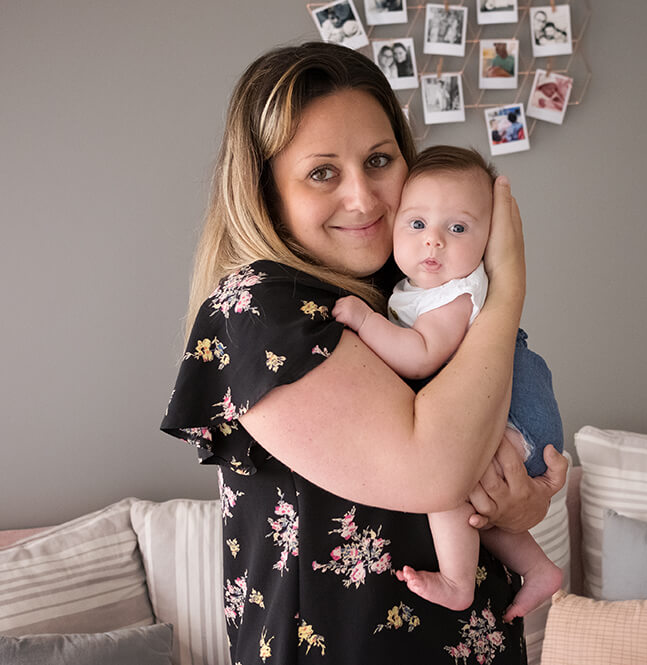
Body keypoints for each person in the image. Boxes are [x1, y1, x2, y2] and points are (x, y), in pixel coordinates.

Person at [161, 41, 567, 664]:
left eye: (380, 160)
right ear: (266, 191)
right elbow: (433, 469)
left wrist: (516, 502)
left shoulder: (400, 289)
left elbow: (478, 442)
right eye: (323, 172)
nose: (364, 197)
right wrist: (506, 286)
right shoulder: (262, 310)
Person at [333, 145, 564, 620]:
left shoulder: (454, 296)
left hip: (519, 415)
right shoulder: (423, 290)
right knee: (479, 501)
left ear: (490, 239)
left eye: (457, 228)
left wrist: (363, 319)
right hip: (514, 408)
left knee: (445, 484)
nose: (433, 241)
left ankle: (458, 583)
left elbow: (420, 357)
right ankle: (539, 569)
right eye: (417, 224)